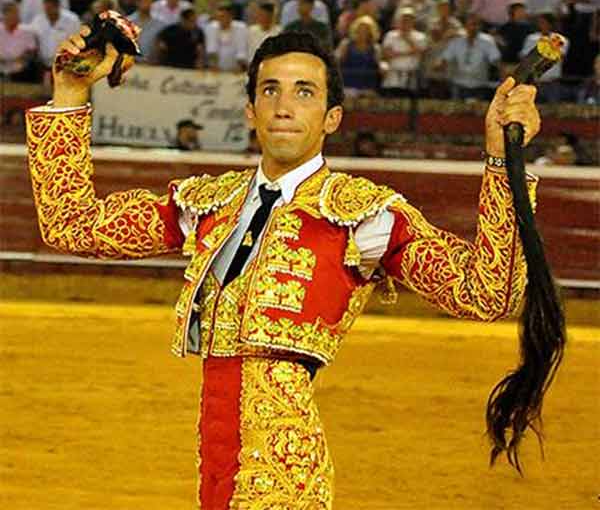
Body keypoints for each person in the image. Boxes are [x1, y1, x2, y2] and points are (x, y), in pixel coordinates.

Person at [26, 28, 540, 509]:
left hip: (286, 472)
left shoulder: (363, 215)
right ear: (250, 110)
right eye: (270, 91)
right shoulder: (209, 204)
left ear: (331, 117)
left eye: (304, 92)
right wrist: (70, 93)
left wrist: (501, 161)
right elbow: (72, 225)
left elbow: (485, 292)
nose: (284, 108)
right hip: (217, 465)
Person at [438, 13, 501, 100]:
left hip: (480, 84)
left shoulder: (487, 41)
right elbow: (445, 59)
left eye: (476, 24)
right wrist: (440, 67)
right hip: (459, 84)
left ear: (480, 26)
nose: (473, 27)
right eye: (470, 24)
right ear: (465, 26)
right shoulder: (456, 42)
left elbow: (496, 60)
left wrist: (503, 75)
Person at [381, 7, 428, 94]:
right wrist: (410, 53)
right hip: (393, 76)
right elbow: (387, 54)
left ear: (413, 21)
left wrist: (407, 39)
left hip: (411, 77)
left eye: (408, 20)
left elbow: (420, 54)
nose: (405, 22)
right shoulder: (390, 35)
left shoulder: (420, 37)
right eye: (403, 19)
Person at [29, 0, 81, 70]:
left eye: (50, 8)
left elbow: (77, 42)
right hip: (43, 63)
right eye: (46, 8)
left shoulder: (72, 20)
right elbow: (32, 40)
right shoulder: (37, 20)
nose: (48, 11)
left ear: (57, 6)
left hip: (66, 63)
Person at [336, 15, 383, 96]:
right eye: (360, 29)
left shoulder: (375, 48)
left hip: (368, 86)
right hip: (348, 85)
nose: (363, 31)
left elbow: (380, 63)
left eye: (366, 29)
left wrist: (383, 66)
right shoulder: (346, 44)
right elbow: (337, 60)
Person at [205, 3, 249, 72]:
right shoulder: (211, 27)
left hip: (235, 67)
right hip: (217, 68)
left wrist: (239, 66)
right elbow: (212, 49)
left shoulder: (241, 27)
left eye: (223, 16)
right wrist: (214, 66)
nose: (220, 19)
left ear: (231, 16)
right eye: (218, 17)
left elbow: (241, 50)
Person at [0, 1, 37, 81]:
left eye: (17, 13)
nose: (16, 16)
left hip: (21, 72)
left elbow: (32, 51)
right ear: (5, 15)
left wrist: (23, 58)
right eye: (12, 13)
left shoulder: (27, 31)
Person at [127, 0, 166, 64]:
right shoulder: (127, 22)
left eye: (150, 1)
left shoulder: (160, 24)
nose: (148, 3)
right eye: (145, 0)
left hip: (154, 66)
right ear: (137, 2)